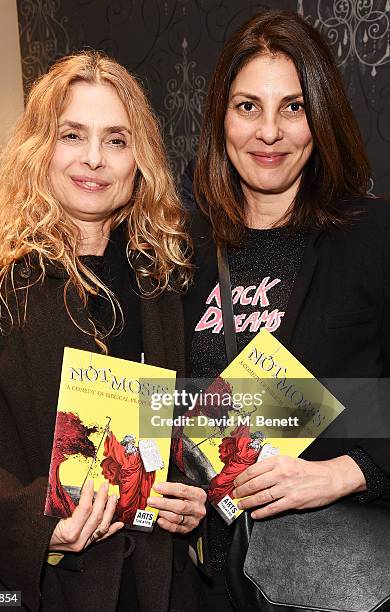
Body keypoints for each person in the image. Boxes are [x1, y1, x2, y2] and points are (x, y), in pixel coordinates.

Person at [0, 52, 207, 612]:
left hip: (160, 590)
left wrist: (194, 499)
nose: (94, 159)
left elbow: (178, 436)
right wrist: (39, 527)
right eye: (73, 135)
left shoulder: (165, 281)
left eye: (116, 140)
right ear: (40, 147)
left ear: (140, 160)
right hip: (43, 591)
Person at [180, 10, 390, 610]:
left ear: (318, 117)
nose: (268, 132)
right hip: (203, 582)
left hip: (330, 578)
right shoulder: (181, 251)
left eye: (292, 107)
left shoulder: (373, 237)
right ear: (221, 118)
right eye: (248, 106)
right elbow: (162, 399)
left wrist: (345, 473)